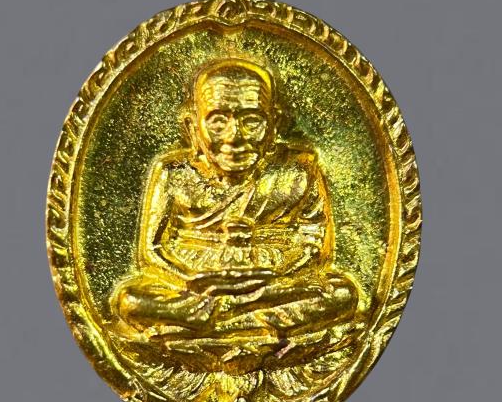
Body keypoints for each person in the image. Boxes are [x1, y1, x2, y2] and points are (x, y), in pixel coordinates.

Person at [109, 58, 359, 370]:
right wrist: (194, 280)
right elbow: (152, 249)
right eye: (217, 122)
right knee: (130, 301)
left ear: (275, 124)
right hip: (198, 282)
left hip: (270, 278)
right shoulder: (174, 173)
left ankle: (221, 321)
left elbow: (314, 243)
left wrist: (274, 277)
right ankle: (249, 322)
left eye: (252, 121)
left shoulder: (297, 170)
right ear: (192, 127)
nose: (234, 136)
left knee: (341, 294)